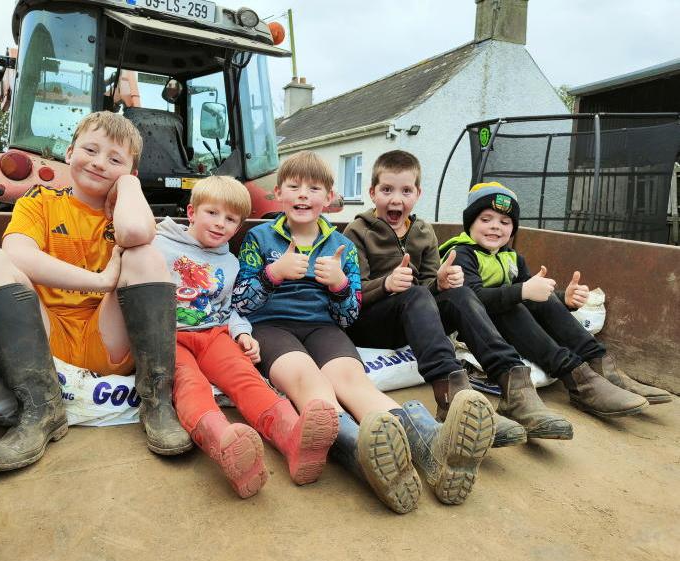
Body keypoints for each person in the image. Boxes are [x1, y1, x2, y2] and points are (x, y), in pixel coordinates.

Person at [233, 150, 493, 513]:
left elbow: (349, 314)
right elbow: (241, 302)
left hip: (323, 327)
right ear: (278, 193)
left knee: (354, 383)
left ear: (329, 198)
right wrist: (273, 274)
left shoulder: (341, 246)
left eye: (314, 188)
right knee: (310, 382)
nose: (303, 195)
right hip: (271, 326)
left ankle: (432, 443)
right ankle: (363, 450)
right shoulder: (260, 237)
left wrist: (339, 285)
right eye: (294, 187)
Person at [0, 111, 191, 471]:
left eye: (115, 160)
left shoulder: (124, 212)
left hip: (107, 338)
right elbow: (16, 254)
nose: (99, 163)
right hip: (41, 343)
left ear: (130, 171)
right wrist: (100, 281)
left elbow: (134, 234)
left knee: (144, 255)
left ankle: (157, 404)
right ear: (69, 153)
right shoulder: (40, 201)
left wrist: (129, 187)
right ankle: (41, 409)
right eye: (91, 150)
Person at [343, 150, 575, 452]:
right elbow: (352, 293)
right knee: (416, 293)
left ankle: (515, 388)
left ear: (418, 194)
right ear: (372, 192)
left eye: (406, 191)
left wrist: (439, 283)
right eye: (387, 190)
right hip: (372, 322)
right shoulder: (357, 231)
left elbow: (428, 287)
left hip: (415, 319)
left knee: (461, 292)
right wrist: (386, 284)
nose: (396, 199)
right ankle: (451, 398)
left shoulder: (423, 232)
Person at [153, 176, 339, 499]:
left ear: (238, 226)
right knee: (190, 384)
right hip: (171, 336)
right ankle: (225, 443)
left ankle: (293, 438)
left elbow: (231, 307)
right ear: (191, 212)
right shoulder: (160, 246)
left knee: (245, 376)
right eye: (212, 213)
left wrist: (242, 333)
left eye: (230, 219)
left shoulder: (229, 261)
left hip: (214, 333)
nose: (220, 224)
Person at [439, 181, 671, 417]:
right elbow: (469, 300)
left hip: (507, 324)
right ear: (470, 223)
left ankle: (599, 362)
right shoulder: (461, 254)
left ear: (513, 229)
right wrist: (522, 292)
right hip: (473, 330)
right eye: (485, 219)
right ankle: (576, 378)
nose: (495, 227)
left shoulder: (511, 257)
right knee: (514, 303)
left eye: (505, 222)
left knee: (539, 297)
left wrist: (564, 299)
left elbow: (532, 295)